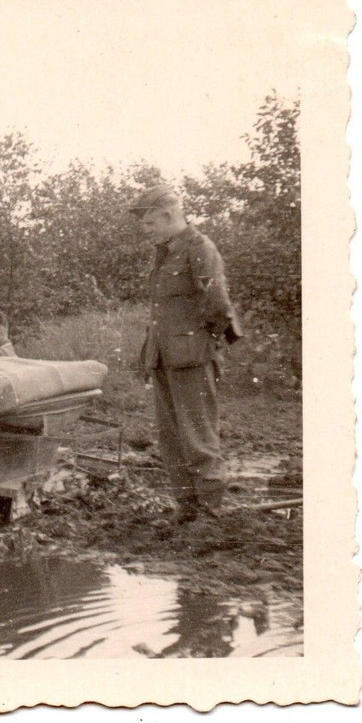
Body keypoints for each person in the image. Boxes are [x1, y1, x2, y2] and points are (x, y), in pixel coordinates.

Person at [129, 184, 243, 522]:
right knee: (171, 436)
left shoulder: (200, 248)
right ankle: (187, 505)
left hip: (192, 357)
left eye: (150, 223)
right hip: (164, 356)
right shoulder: (165, 252)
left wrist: (203, 343)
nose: (146, 230)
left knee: (197, 434)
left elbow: (218, 306)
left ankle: (210, 509)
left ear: (168, 215)